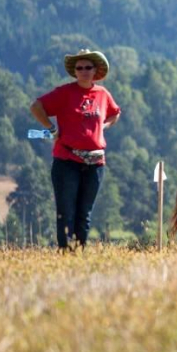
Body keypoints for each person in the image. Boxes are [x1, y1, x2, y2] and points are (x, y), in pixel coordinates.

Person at [30, 49, 121, 250]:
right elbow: (36, 106)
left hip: (95, 163)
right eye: (79, 68)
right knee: (65, 212)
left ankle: (79, 251)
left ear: (95, 70)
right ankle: (65, 252)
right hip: (66, 161)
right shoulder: (64, 93)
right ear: (75, 71)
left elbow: (115, 113)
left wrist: (103, 127)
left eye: (88, 67)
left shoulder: (103, 94)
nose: (83, 71)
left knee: (84, 213)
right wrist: (51, 128)